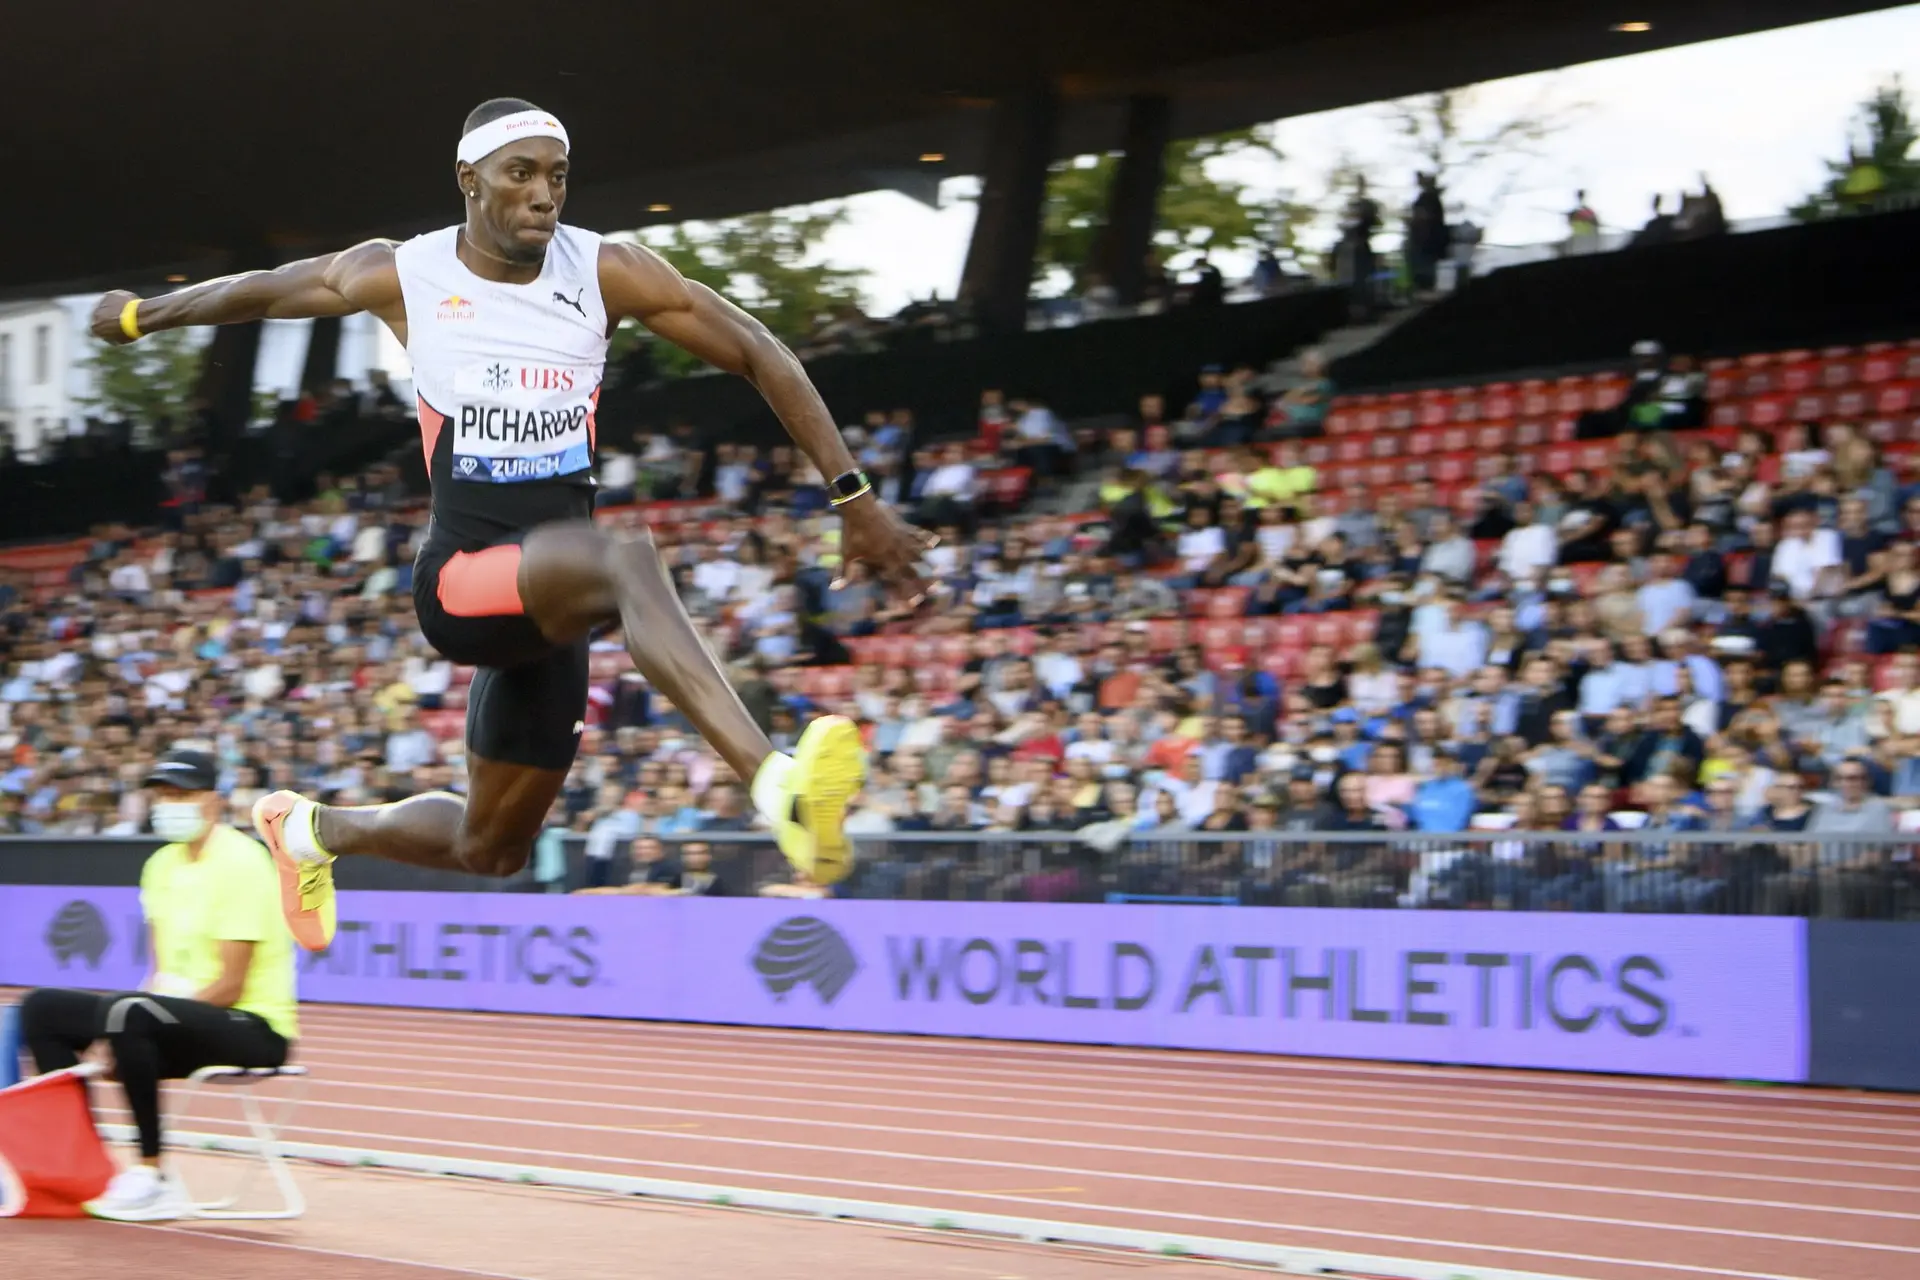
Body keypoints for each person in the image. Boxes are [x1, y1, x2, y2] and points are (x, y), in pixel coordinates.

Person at [91, 98, 933, 951]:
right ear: (469, 180)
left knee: (491, 847)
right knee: (627, 559)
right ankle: (776, 786)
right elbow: (259, 292)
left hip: (548, 614)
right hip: (464, 582)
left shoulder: (607, 270)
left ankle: (310, 830)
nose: (544, 196)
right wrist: (142, 315)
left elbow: (760, 349)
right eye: (520, 174)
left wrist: (855, 497)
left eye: (557, 176)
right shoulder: (404, 274)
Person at [15, 749, 296, 1221]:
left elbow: (230, 985)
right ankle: (82, 1162)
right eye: (163, 794)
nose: (170, 803)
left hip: (251, 1026)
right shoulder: (160, 866)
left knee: (131, 1012)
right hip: (175, 1012)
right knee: (43, 1008)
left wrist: (120, 1028)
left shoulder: (243, 863)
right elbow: (161, 972)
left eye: (182, 794)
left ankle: (153, 1174)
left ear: (215, 800)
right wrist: (124, 1024)